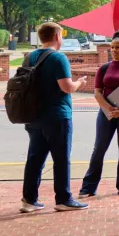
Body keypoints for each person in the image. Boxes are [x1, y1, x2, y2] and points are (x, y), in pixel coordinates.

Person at [21, 22, 89, 212]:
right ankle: (63, 198)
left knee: (35, 158)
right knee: (61, 158)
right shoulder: (58, 58)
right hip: (57, 115)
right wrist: (79, 83)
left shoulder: (29, 57)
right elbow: (66, 87)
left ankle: (29, 199)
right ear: (58, 36)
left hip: (33, 115)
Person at [79, 30, 119, 197]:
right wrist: (108, 108)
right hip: (106, 112)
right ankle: (88, 187)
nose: (114, 50)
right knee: (99, 148)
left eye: (117, 47)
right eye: (112, 47)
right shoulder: (104, 68)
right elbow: (97, 92)